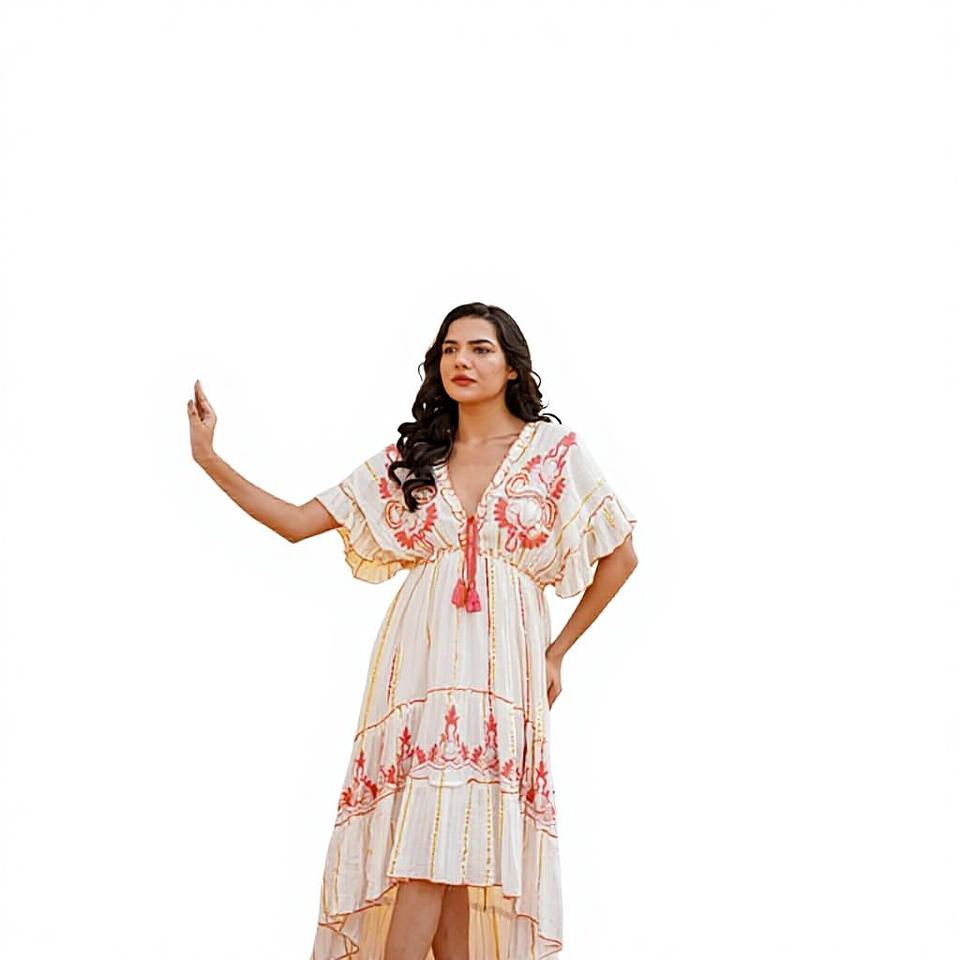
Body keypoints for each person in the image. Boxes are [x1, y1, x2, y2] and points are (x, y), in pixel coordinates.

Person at [187, 302, 638, 960]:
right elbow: (295, 522)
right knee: (436, 849)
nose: (462, 361)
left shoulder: (555, 453)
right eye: (450, 349)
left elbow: (620, 557)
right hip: (420, 670)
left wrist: (557, 653)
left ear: (512, 367)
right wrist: (209, 459)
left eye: (480, 349)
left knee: (452, 850)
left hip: (504, 672)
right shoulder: (413, 459)